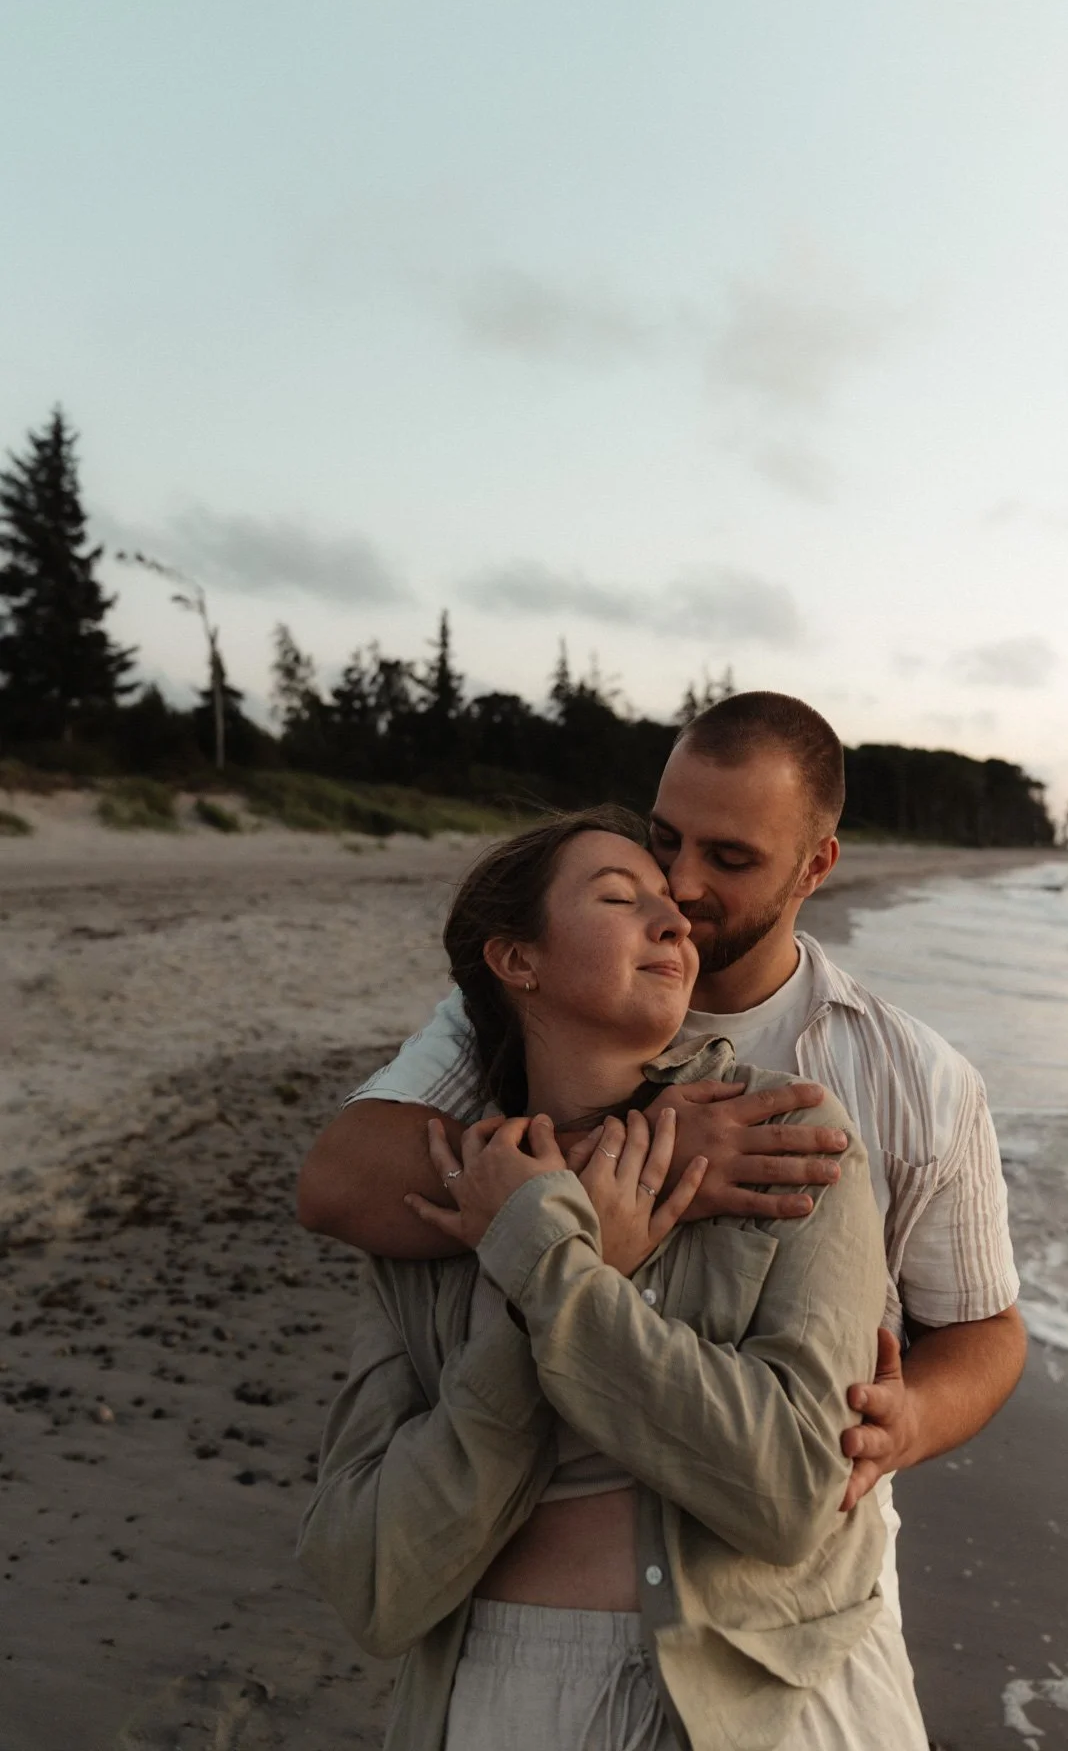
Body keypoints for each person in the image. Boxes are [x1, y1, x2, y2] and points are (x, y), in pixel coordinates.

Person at [298, 691, 1026, 1655]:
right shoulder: (535, 1013)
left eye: (728, 859)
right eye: (665, 837)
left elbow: (982, 1322)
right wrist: (643, 1143)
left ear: (817, 865)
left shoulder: (915, 1079)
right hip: (517, 1575)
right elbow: (339, 1183)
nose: (679, 885)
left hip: (795, 1610)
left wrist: (916, 1417)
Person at [298, 809, 919, 1750]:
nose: (675, 925)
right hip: (497, 1701)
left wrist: (550, 1269)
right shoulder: (435, 1205)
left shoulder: (779, 1133)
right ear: (518, 961)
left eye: (671, 907)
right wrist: (546, 1247)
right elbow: (372, 1583)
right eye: (621, 900)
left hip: (760, 1696)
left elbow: (794, 1489)